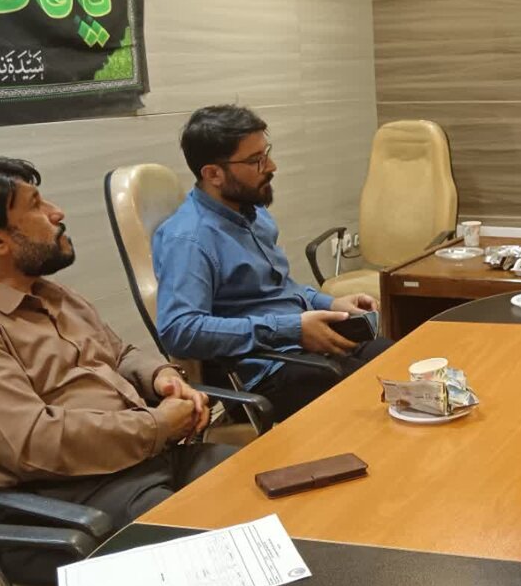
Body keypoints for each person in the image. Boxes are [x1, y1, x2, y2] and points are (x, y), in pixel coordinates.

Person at [0, 156, 234, 585]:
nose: (57, 213)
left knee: (262, 486)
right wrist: (159, 425)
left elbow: (119, 353)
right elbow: (34, 443)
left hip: (139, 462)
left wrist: (161, 378)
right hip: (58, 510)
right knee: (223, 559)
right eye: (37, 205)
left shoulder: (49, 293)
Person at [154, 105, 391, 422]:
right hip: (268, 373)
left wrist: (330, 303)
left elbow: (278, 288)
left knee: (400, 362)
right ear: (213, 174)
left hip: (303, 350)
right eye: (256, 160)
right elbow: (179, 330)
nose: (271, 166)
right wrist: (291, 329)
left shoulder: (252, 213)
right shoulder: (189, 239)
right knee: (379, 404)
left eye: (266, 154)